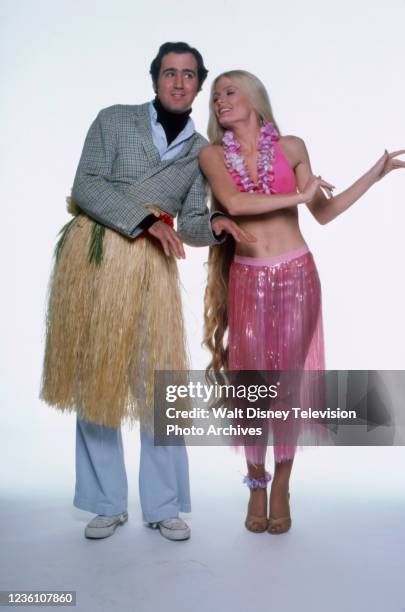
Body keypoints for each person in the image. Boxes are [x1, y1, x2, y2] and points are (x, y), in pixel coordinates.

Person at [40, 44, 252, 542]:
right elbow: (86, 185)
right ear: (154, 78)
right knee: (99, 375)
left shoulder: (201, 149)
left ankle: (162, 504)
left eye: (189, 75)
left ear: (199, 84)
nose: (179, 82)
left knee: (158, 383)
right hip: (96, 258)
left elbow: (193, 222)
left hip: (151, 267)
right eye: (169, 73)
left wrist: (217, 223)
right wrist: (144, 222)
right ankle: (105, 503)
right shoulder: (113, 120)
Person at [200, 70, 405, 535]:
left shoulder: (291, 147)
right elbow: (232, 203)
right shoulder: (212, 155)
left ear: (254, 98)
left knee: (286, 387)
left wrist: (374, 175)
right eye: (214, 97)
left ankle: (282, 485)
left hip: (297, 276)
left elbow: (324, 213)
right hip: (248, 279)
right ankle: (256, 482)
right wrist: (298, 193)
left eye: (229, 92)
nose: (219, 101)